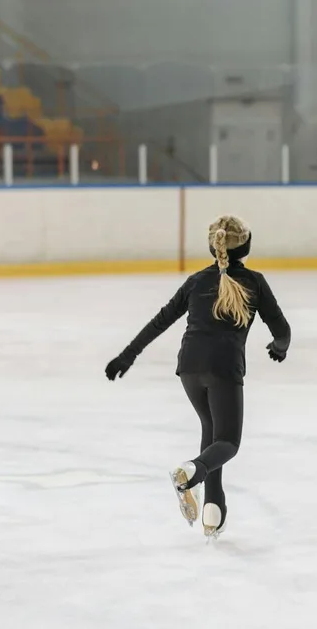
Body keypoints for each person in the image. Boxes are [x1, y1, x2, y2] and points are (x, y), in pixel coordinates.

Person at [105, 215, 291, 539]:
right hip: (224, 369)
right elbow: (283, 331)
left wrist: (128, 355)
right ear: (246, 246)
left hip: (189, 368)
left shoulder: (196, 282)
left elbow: (160, 321)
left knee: (212, 430)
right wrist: (279, 347)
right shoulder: (254, 282)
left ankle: (212, 515)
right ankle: (193, 472)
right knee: (229, 442)